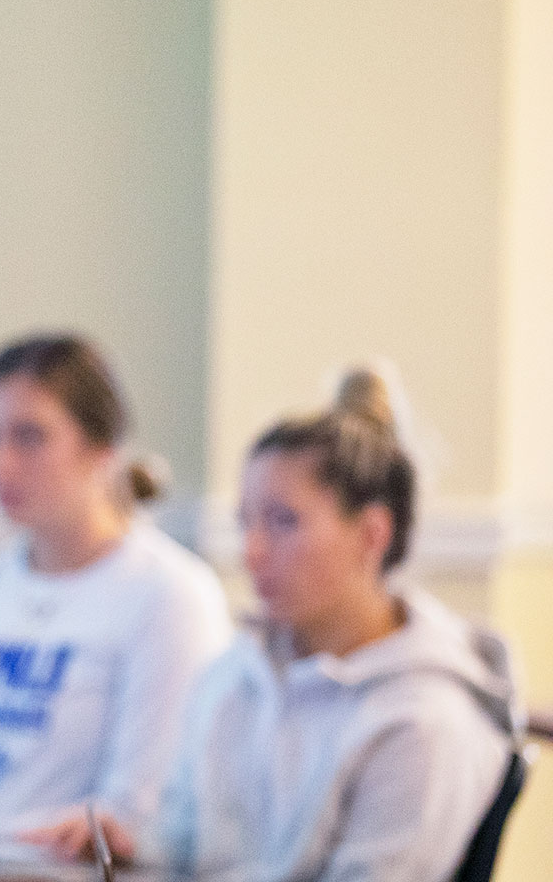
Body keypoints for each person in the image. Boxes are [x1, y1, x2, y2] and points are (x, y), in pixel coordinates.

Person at [63, 367, 523, 880]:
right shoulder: (232, 676)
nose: (252, 552)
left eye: (283, 522)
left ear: (371, 535)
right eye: (245, 522)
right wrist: (128, 851)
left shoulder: (424, 720)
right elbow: (179, 850)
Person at [0, 334, 231, 849]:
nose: (1, 463)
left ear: (101, 450)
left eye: (29, 437)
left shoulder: (170, 596)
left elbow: (143, 810)